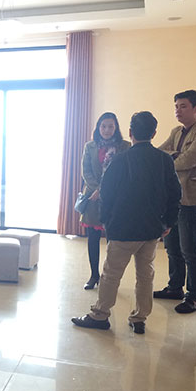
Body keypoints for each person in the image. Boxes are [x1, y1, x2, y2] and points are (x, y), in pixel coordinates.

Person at [71, 112, 181, 334]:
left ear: (130, 132)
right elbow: (175, 194)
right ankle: (139, 318)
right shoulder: (164, 160)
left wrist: (106, 221)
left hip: (123, 228)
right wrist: (168, 222)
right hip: (151, 228)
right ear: (154, 133)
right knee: (146, 274)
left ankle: (100, 315)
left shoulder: (120, 160)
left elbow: (107, 194)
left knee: (111, 274)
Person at [154, 90, 196, 314]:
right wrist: (175, 154)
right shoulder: (176, 131)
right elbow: (160, 154)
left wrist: (174, 156)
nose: (177, 111)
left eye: (183, 106)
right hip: (172, 198)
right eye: (176, 106)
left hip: (192, 199)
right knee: (172, 246)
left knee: (190, 249)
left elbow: (188, 160)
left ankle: (194, 296)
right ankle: (175, 287)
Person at [79, 113, 130, 289]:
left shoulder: (125, 146)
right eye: (103, 126)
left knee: (113, 241)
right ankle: (94, 275)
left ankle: (109, 277)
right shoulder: (90, 146)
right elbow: (86, 171)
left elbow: (124, 173)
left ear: (116, 128)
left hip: (115, 198)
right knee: (92, 238)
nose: (107, 130)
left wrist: (104, 190)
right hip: (93, 197)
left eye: (110, 126)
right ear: (98, 127)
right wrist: (97, 189)